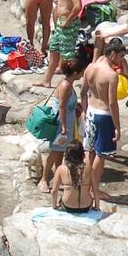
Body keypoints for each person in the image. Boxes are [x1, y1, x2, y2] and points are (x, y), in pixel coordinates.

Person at [82, 39, 125, 202]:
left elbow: (83, 91)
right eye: (120, 57)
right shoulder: (111, 75)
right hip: (104, 115)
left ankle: (84, 186)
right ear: (112, 54)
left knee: (89, 151)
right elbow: (112, 103)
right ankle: (95, 189)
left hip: (91, 112)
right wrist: (117, 126)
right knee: (101, 155)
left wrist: (85, 111)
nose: (121, 61)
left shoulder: (91, 67)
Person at [40, 59, 85, 194]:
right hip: (62, 124)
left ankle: (57, 178)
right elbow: (62, 106)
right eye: (81, 72)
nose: (82, 75)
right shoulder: (65, 85)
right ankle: (44, 179)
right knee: (55, 152)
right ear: (76, 73)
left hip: (68, 122)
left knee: (60, 152)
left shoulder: (69, 84)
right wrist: (64, 127)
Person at [36, 0, 83, 88]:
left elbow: (78, 6)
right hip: (61, 23)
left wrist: (68, 22)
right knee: (54, 49)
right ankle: (47, 80)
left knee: (68, 54)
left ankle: (71, 82)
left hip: (68, 22)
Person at [51, 143, 94, 213]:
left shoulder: (61, 169)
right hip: (86, 206)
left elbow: (54, 191)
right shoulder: (89, 168)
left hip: (68, 206)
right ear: (82, 154)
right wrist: (97, 207)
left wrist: (54, 206)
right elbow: (95, 190)